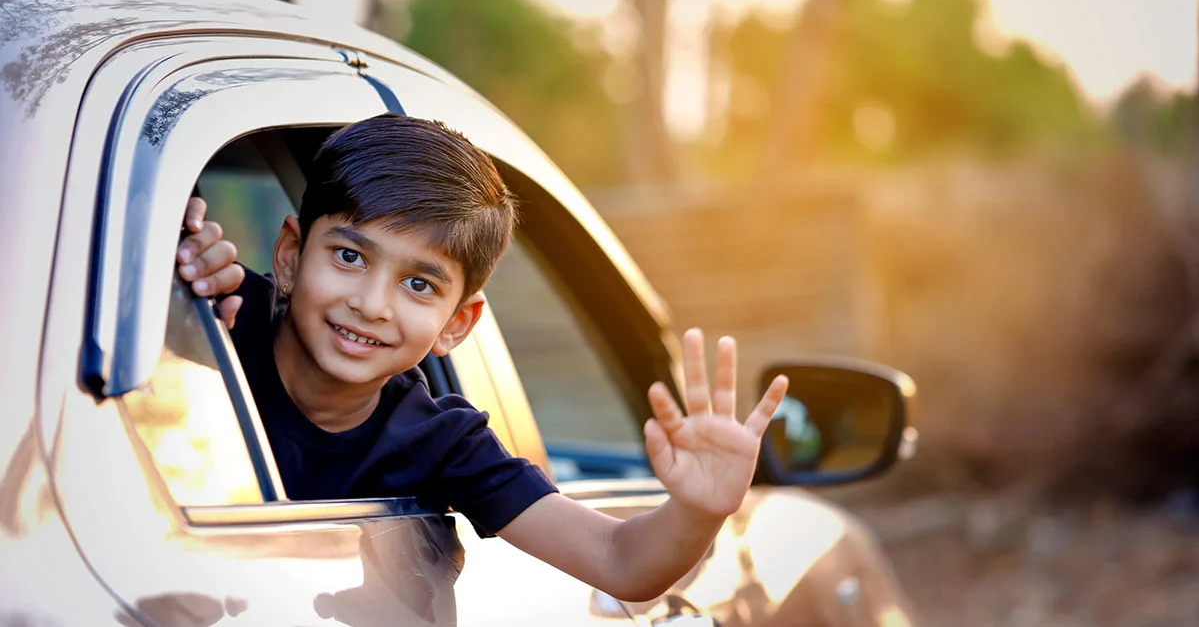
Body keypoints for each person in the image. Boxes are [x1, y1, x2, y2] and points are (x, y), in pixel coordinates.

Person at [176, 113, 789, 603]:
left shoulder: (441, 441)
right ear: (289, 254)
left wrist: (699, 510)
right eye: (350, 256)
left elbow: (621, 563)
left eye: (419, 285)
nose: (371, 304)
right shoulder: (215, 313)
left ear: (458, 324)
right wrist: (172, 279)